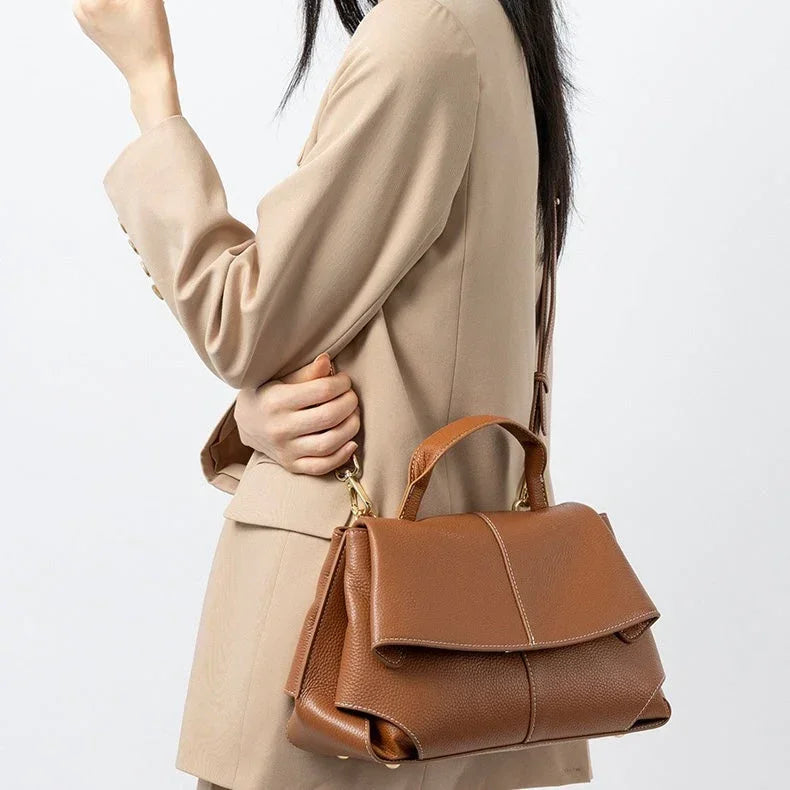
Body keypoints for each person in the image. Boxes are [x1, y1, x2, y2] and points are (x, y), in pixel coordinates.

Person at [74, 0, 590, 787]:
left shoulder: (425, 36)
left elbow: (243, 318)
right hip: (454, 646)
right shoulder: (497, 29)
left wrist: (151, 82)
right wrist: (256, 413)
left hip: (343, 652)